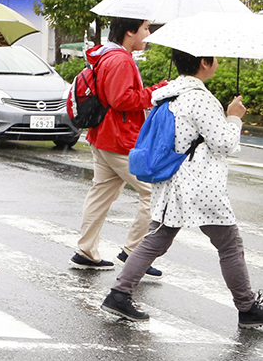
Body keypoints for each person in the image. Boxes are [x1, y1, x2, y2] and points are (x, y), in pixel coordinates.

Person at [102, 49, 263, 327]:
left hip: (171, 179)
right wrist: (234, 117)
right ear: (204, 63)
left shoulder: (168, 93)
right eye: (215, 58)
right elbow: (224, 144)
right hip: (199, 184)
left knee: (158, 238)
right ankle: (247, 308)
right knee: (229, 244)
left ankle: (119, 293)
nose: (217, 62)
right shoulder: (200, 99)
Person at [73, 18, 166, 275]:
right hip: (119, 139)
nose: (148, 34)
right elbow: (121, 100)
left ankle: (86, 251)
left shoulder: (107, 55)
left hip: (103, 135)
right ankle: (134, 252)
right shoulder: (121, 59)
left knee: (101, 194)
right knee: (153, 192)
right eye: (146, 29)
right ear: (130, 31)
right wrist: (157, 91)